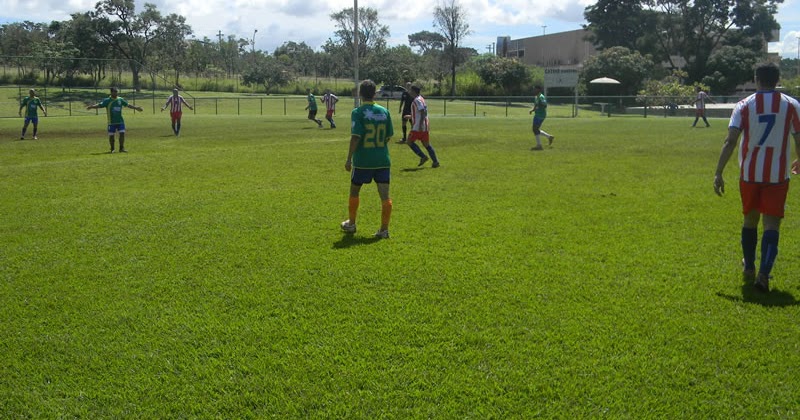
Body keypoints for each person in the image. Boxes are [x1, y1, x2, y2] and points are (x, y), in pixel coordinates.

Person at [713, 62, 800, 292]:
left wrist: (718, 172)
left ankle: (749, 267)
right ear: (777, 79)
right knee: (772, 225)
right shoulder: (791, 105)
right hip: (777, 175)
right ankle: (763, 275)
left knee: (750, 220)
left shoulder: (744, 105)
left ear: (756, 80)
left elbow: (730, 140)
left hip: (750, 174)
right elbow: (798, 138)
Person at [341, 79, 395, 239]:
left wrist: (349, 159)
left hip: (363, 161)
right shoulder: (385, 112)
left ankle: (351, 223)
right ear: (374, 93)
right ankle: (384, 230)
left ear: (360, 94)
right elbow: (388, 136)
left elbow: (355, 137)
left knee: (355, 191)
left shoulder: (357, 112)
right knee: (385, 195)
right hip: (382, 160)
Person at [87, 87, 144, 153]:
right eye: (114, 92)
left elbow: (128, 105)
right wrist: (91, 107)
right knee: (111, 136)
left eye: (116, 91)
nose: (116, 93)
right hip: (111, 122)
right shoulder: (107, 100)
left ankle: (121, 148)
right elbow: (100, 105)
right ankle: (112, 149)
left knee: (122, 133)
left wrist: (136, 108)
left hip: (120, 121)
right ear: (111, 92)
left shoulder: (120, 99)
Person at [405, 85, 440, 168]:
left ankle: (423, 157)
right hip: (425, 126)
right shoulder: (421, 98)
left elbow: (422, 111)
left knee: (409, 142)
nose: (409, 92)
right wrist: (411, 116)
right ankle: (435, 162)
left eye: (410, 90)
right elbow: (420, 112)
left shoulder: (416, 100)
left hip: (418, 127)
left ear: (414, 91)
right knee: (426, 145)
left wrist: (420, 124)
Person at [529, 85, 554, 151]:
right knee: (535, 129)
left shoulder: (541, 97)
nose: (533, 90)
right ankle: (549, 137)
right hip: (537, 114)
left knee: (535, 129)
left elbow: (545, 105)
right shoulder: (536, 97)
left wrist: (541, 103)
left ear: (538, 90)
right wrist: (532, 110)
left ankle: (539, 145)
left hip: (540, 115)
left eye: (535, 89)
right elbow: (536, 105)